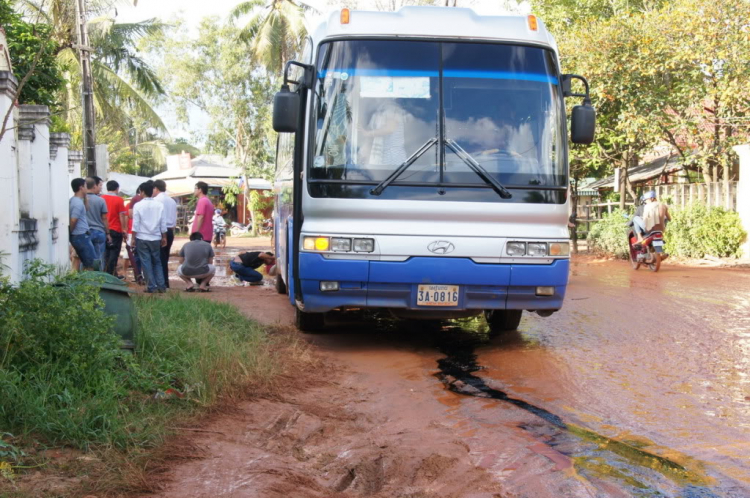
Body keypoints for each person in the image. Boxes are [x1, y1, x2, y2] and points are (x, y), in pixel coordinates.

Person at [132, 182, 167, 293]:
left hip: (142, 237)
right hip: (156, 237)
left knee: (146, 262)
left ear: (142, 192)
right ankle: (161, 286)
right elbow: (163, 223)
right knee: (157, 261)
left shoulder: (138, 205)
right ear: (152, 191)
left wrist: (133, 238)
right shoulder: (159, 205)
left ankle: (151, 286)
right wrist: (164, 236)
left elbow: (135, 224)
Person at [359, 100, 407, 166]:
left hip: (393, 156)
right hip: (382, 155)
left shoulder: (392, 108)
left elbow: (390, 128)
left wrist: (368, 133)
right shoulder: (377, 112)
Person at [69, 178, 97, 270]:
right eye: (85, 186)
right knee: (90, 263)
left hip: (81, 235)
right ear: (81, 187)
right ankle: (89, 283)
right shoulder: (77, 203)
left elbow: (87, 208)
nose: (87, 188)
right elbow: (73, 220)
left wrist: (85, 197)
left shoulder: (77, 200)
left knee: (88, 262)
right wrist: (71, 233)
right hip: (80, 235)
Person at [102, 180, 128, 277]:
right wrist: (124, 229)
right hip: (116, 229)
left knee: (105, 252)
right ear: (117, 189)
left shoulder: (102, 198)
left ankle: (106, 271)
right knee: (114, 252)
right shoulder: (119, 200)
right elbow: (121, 216)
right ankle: (111, 273)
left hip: (104, 228)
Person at [154, 180, 177, 288]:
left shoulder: (156, 200)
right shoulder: (172, 201)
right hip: (170, 230)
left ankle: (161, 282)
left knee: (158, 258)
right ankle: (164, 281)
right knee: (165, 257)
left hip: (160, 231)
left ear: (156, 189)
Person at [85, 176, 110, 270]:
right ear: (94, 186)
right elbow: (104, 218)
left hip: (85, 232)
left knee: (85, 257)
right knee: (99, 257)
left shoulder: (79, 200)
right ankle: (99, 279)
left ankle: (85, 280)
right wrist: (108, 233)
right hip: (99, 231)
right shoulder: (100, 200)